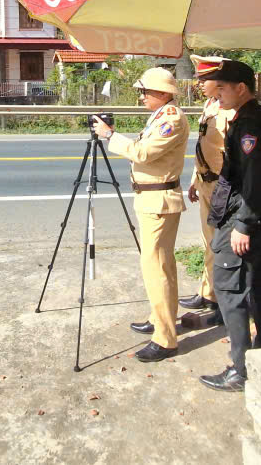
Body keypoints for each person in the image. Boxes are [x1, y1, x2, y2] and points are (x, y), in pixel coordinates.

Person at [195, 59, 261, 392]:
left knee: (229, 287)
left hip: (246, 216)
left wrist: (243, 225)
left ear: (241, 89)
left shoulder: (248, 127)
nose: (216, 95)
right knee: (260, 285)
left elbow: (253, 181)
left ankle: (242, 369)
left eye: (221, 88)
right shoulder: (258, 117)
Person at [91, 66, 189, 362]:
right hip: (152, 200)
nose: (142, 96)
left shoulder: (170, 119)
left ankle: (165, 338)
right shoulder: (160, 115)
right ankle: (159, 318)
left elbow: (143, 153)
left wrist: (110, 136)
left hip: (159, 202)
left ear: (162, 93)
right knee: (159, 267)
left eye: (145, 91)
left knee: (157, 269)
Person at [181, 54, 237, 314]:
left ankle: (220, 298)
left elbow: (231, 155)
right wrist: (194, 180)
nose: (199, 83)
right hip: (205, 183)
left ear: (220, 80)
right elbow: (205, 146)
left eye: (205, 78)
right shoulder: (211, 106)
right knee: (208, 241)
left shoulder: (232, 111)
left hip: (221, 187)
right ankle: (208, 291)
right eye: (199, 78)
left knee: (219, 243)